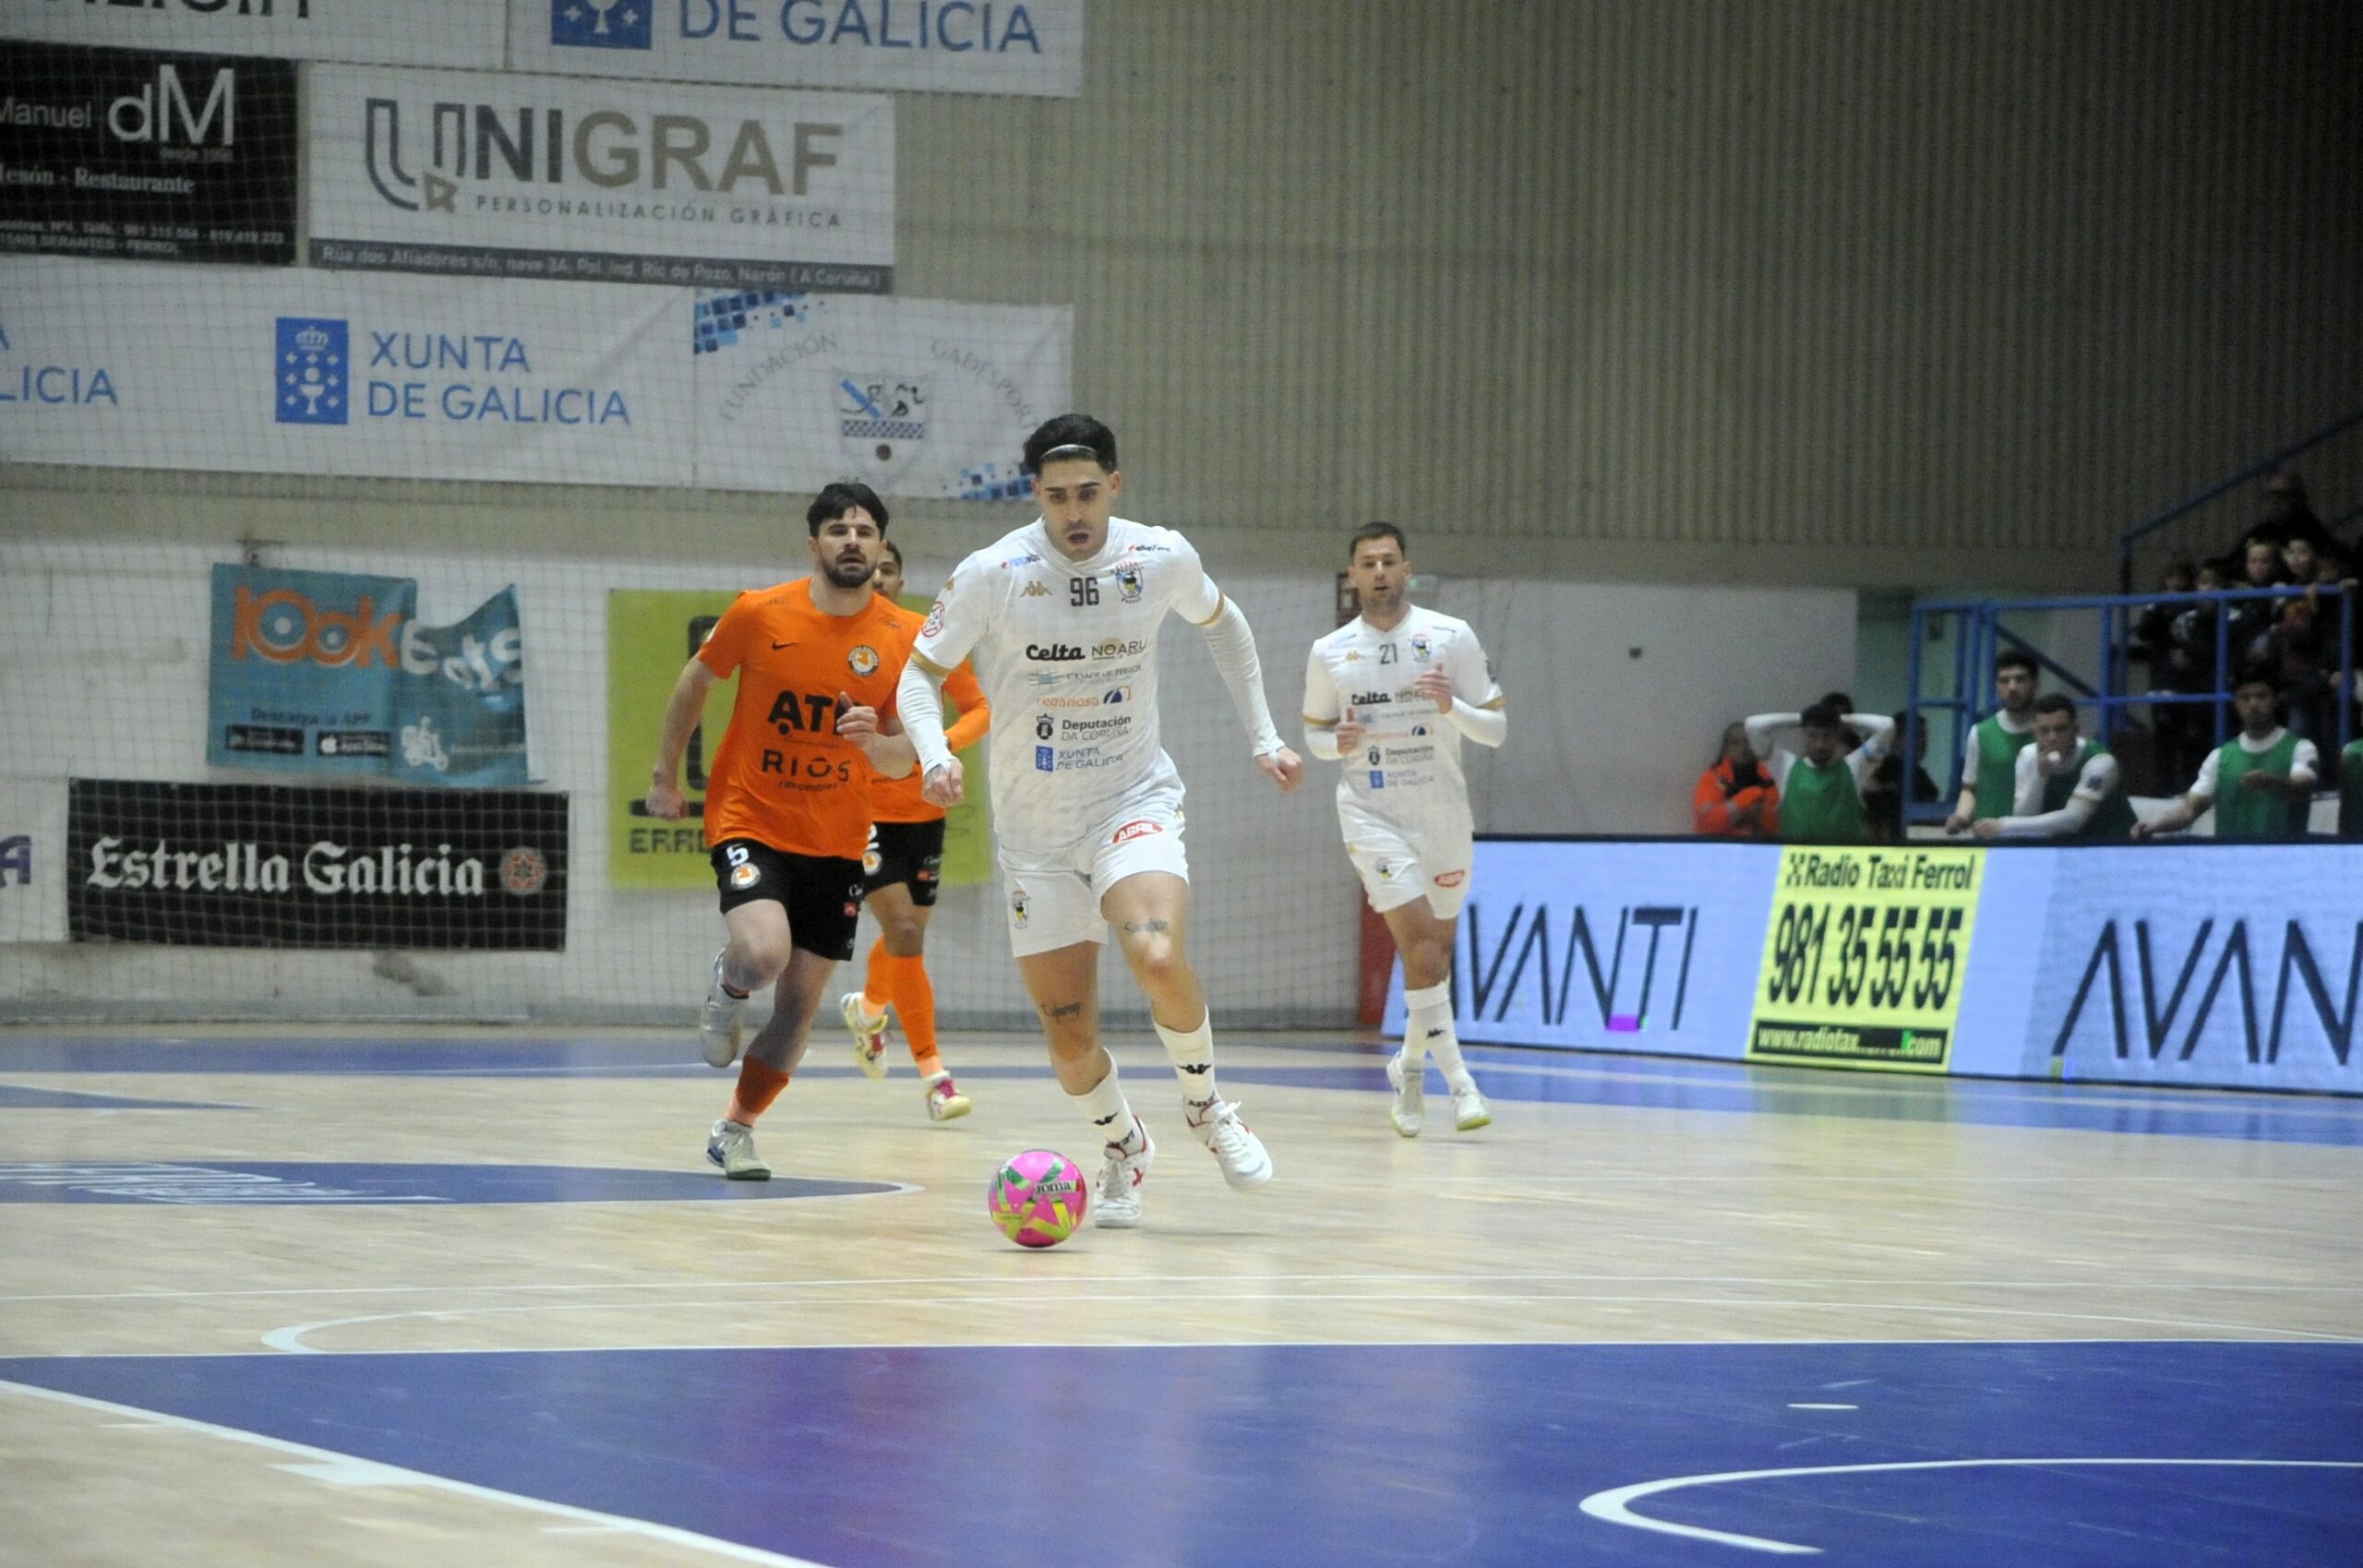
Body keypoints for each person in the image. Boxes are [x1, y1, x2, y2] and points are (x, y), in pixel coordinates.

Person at [894, 414, 1303, 1227]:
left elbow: (1225, 624)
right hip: (1035, 835)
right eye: (1057, 497)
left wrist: (1264, 734)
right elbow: (918, 675)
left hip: (1130, 800)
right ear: (1034, 494)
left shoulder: (1159, 556)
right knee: (1070, 1036)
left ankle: (1208, 1107)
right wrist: (934, 753)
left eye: (1087, 493)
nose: (1074, 512)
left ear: (1115, 484)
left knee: (1157, 953)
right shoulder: (993, 572)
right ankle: (1124, 1144)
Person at [647, 482, 920, 1180]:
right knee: (763, 953)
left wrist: (875, 743)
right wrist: (665, 776)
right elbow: (695, 683)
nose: (852, 541)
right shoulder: (759, 611)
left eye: (865, 530)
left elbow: (903, 755)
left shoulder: (905, 636)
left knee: (800, 1007)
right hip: (753, 817)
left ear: (881, 547)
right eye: (838, 530)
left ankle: (735, 1128)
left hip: (838, 839)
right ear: (813, 545)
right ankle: (730, 982)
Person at [1302, 522, 1507, 1137]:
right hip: (1373, 814)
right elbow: (1314, 735)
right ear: (1353, 576)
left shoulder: (1450, 636)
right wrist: (1333, 741)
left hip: (1443, 813)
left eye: (1389, 561)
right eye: (1368, 563)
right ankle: (1462, 1085)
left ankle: (1410, 1069)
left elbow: (1495, 731)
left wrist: (1451, 706)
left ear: (1407, 570)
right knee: (1420, 947)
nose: (1380, 572)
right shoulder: (1330, 651)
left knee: (1432, 958)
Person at [837, 540, 991, 1122]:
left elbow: (980, 710)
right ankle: (935, 1076)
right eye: (873, 569)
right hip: (860, 808)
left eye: (890, 570)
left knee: (906, 938)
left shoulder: (929, 637)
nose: (879, 578)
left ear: (901, 580)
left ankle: (867, 1009)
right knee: (903, 930)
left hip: (923, 810)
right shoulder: (832, 636)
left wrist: (933, 747)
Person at [2134, 673, 2319, 843]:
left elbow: (2303, 789)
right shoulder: (2220, 757)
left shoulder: (2301, 748)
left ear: (2275, 701)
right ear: (2236, 704)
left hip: (2285, 859)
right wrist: (2154, 827)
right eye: (2245, 698)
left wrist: (2272, 782)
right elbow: (2190, 810)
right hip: (2232, 861)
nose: (2253, 703)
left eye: (2262, 696)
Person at [1970, 693, 2136, 842]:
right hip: (2063, 847)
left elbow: (2072, 821)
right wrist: (2039, 777)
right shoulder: (2028, 756)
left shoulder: (2100, 762)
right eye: (2044, 731)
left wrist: (2003, 826)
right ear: (2034, 732)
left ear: (2075, 730)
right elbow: (2024, 816)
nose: (2052, 737)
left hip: (2115, 845)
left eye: (2060, 729)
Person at [1744, 702, 1895, 844]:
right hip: (1794, 861)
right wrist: (1801, 718)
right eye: (1812, 736)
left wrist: (1840, 719)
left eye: (1827, 736)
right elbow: (1752, 725)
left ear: (1837, 736)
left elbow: (1887, 726)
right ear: (1803, 734)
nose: (1820, 745)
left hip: (1842, 861)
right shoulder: (1785, 766)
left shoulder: (1855, 767)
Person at [1944, 649, 2038, 832]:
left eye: (2020, 680)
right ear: (1996, 686)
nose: (2012, 687)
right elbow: (1970, 788)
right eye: (2004, 680)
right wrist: (1961, 816)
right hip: (1989, 838)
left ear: (2035, 685)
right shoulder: (1980, 732)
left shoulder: (2050, 731)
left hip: (2038, 838)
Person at [1864, 709, 1941, 841]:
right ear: (1896, 738)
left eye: (1924, 735)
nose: (1922, 741)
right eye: (1916, 735)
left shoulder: (1917, 773)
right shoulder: (1883, 770)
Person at [1693, 722, 1780, 839]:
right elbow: (1708, 821)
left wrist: (1740, 811)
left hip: (1759, 846)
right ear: (1725, 748)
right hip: (1720, 847)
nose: (1743, 748)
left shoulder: (1766, 776)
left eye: (1747, 741)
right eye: (1736, 743)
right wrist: (1749, 797)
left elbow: (1778, 823)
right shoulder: (1713, 778)